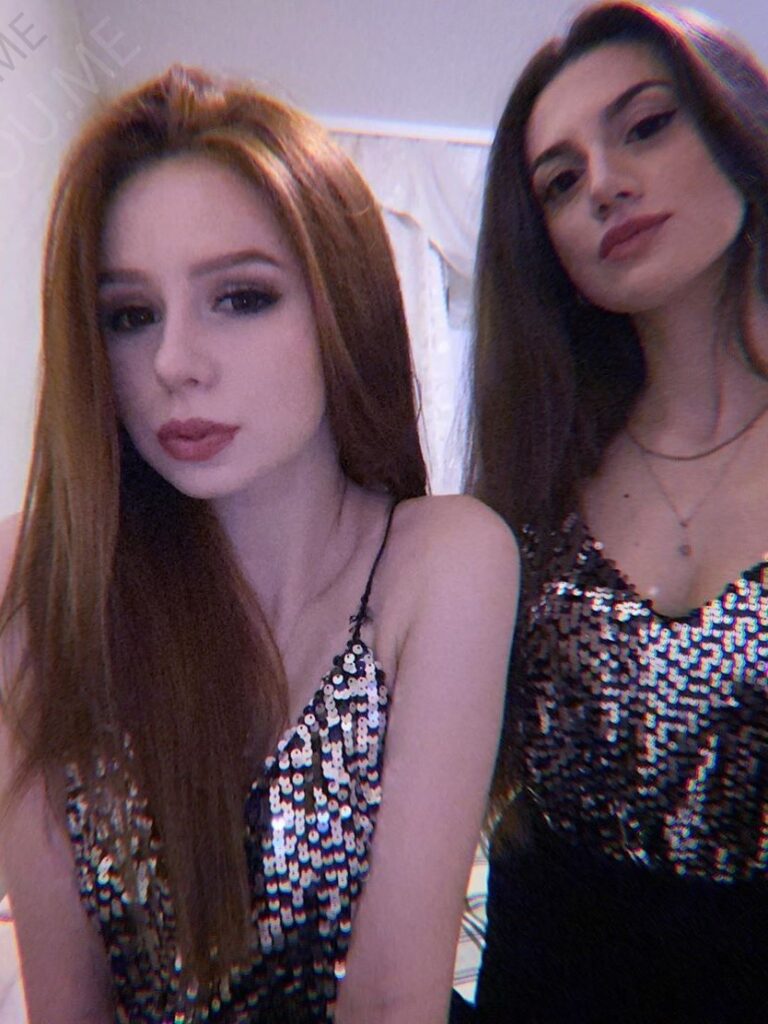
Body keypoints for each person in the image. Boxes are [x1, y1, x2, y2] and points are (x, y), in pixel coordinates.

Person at [0, 66, 520, 1024]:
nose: (173, 364)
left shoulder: (443, 562)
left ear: (340, 303)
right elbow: (65, 1003)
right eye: (129, 316)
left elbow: (394, 1000)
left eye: (240, 297)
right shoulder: (38, 580)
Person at [460, 2, 768, 1022]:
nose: (604, 184)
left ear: (737, 127)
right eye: (560, 181)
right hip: (543, 985)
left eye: (646, 125)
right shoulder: (532, 478)